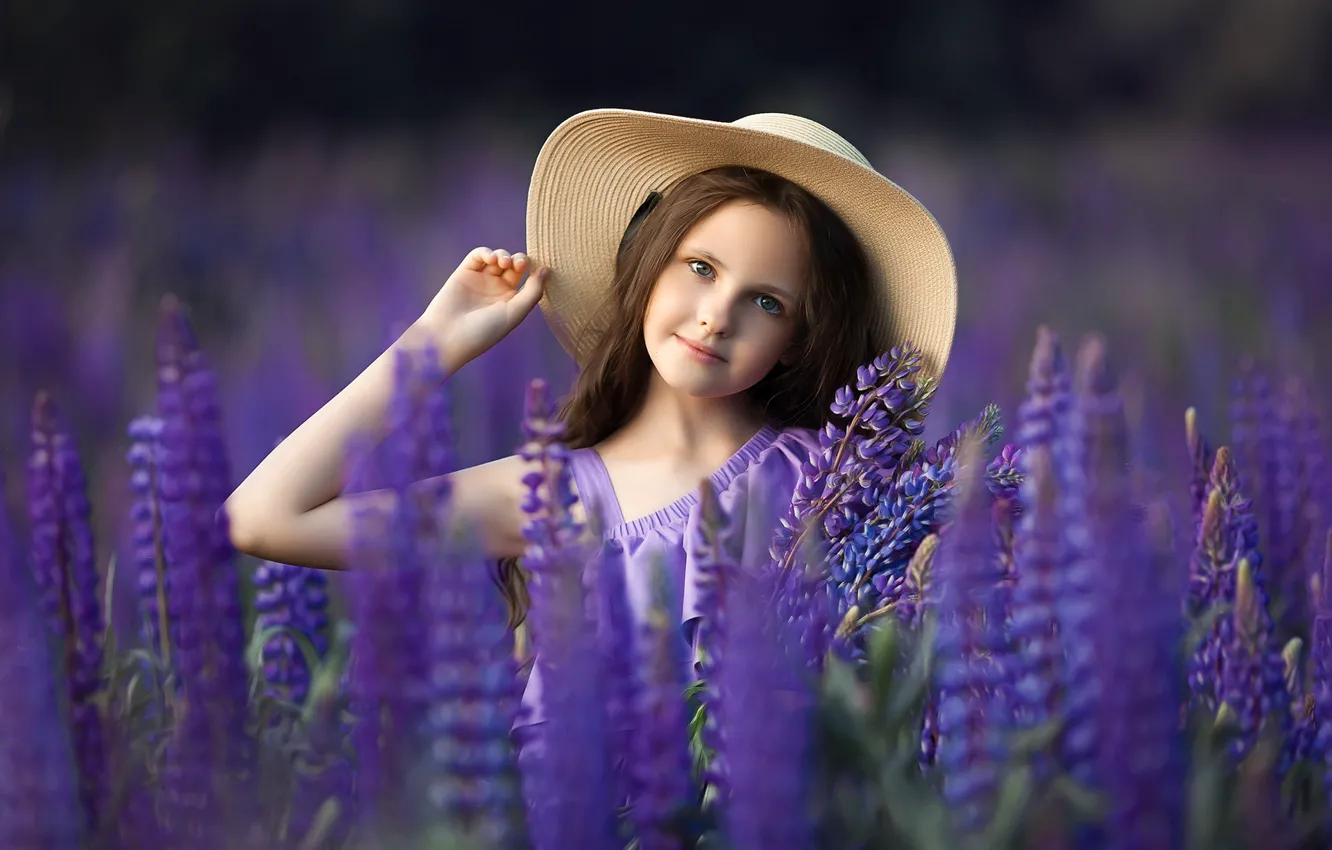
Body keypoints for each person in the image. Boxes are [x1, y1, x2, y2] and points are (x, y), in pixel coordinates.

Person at [224, 107, 957, 747]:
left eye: (767, 303)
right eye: (700, 267)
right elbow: (262, 519)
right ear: (648, 263)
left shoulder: (830, 479)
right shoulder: (551, 496)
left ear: (798, 340)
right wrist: (433, 345)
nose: (716, 316)